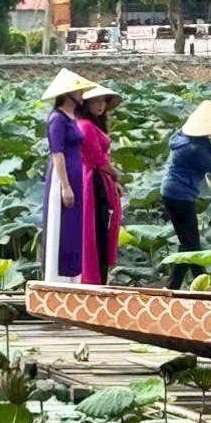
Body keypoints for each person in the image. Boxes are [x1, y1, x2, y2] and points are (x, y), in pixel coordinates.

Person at [160, 100, 211, 290]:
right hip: (179, 194)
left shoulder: (184, 135)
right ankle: (198, 283)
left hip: (175, 191)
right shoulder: (194, 147)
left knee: (188, 242)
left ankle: (175, 286)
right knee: (191, 243)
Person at [41, 68, 97, 282]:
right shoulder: (57, 118)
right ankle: (58, 277)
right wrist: (65, 186)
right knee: (62, 224)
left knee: (74, 225)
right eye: (79, 91)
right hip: (62, 176)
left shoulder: (73, 117)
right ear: (68, 94)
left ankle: (74, 275)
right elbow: (57, 153)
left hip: (76, 174)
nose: (82, 95)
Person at [77, 85, 123, 285]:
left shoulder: (89, 124)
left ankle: (98, 277)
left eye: (103, 101)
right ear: (86, 104)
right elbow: (98, 159)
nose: (100, 105)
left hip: (97, 178)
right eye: (96, 101)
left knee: (100, 228)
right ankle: (96, 279)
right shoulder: (85, 125)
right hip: (93, 180)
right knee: (97, 229)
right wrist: (116, 176)